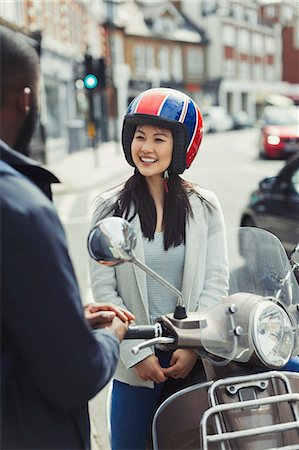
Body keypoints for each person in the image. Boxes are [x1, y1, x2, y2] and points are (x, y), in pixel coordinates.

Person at [0, 25, 135, 450]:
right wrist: (107, 337)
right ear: (26, 99)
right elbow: (73, 374)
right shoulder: (18, 205)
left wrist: (64, 317)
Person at [89, 87, 229, 449]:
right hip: (135, 362)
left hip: (192, 359)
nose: (146, 148)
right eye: (139, 136)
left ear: (180, 146)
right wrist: (138, 355)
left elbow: (216, 282)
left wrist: (195, 346)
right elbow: (105, 291)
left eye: (158, 138)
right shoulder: (109, 208)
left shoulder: (204, 206)